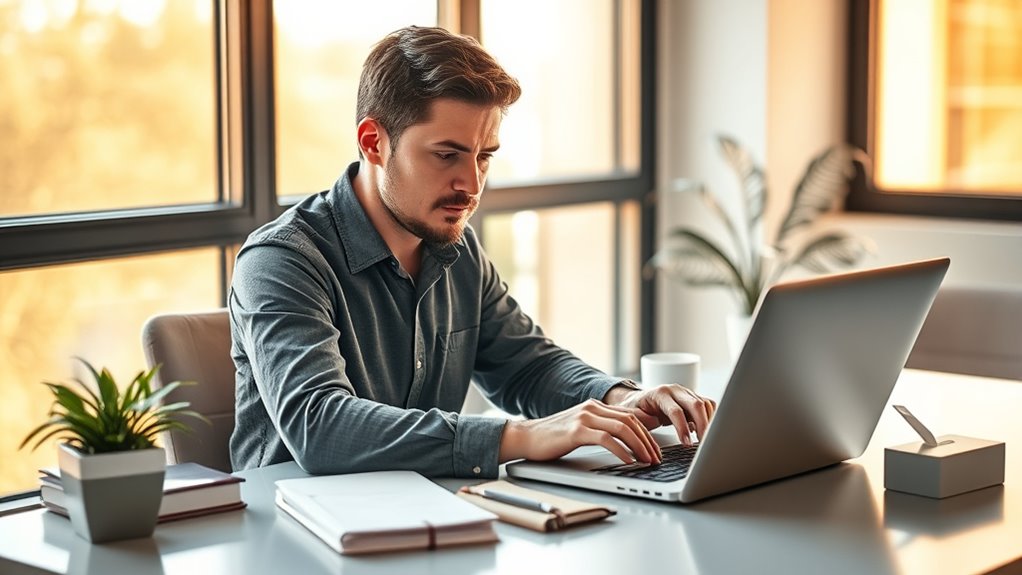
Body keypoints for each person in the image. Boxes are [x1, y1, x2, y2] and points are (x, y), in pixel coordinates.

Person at [229, 25, 716, 478]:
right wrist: (519, 436)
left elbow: (528, 367)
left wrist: (619, 398)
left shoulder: (456, 246)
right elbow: (320, 426)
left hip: (432, 513)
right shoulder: (280, 261)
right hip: (296, 524)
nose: (471, 184)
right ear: (373, 142)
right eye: (447, 155)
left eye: (484, 157)